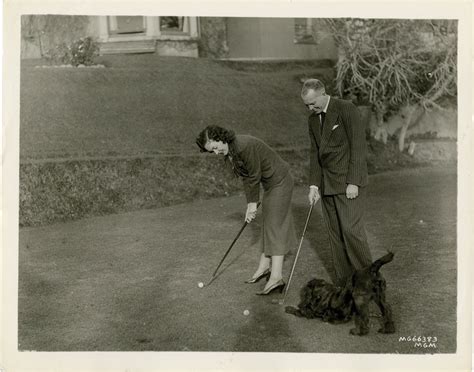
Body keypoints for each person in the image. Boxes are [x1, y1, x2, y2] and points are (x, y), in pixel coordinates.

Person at [196, 125, 296, 295]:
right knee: (268, 223)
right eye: (211, 151)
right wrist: (251, 203)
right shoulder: (231, 152)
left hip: (281, 181)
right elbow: (246, 177)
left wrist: (252, 204)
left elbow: (254, 175)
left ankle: (276, 277)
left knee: (275, 226)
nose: (215, 153)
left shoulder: (243, 145)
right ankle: (264, 267)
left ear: (220, 138)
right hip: (270, 184)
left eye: (214, 148)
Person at [301, 78, 373, 286]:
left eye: (313, 103)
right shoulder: (312, 120)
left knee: (351, 232)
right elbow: (315, 153)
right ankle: (345, 288)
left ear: (323, 94)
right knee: (335, 236)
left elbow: (358, 146)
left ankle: (369, 286)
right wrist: (314, 185)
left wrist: (353, 182)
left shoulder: (346, 109)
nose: (310, 108)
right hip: (326, 185)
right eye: (306, 105)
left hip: (348, 184)